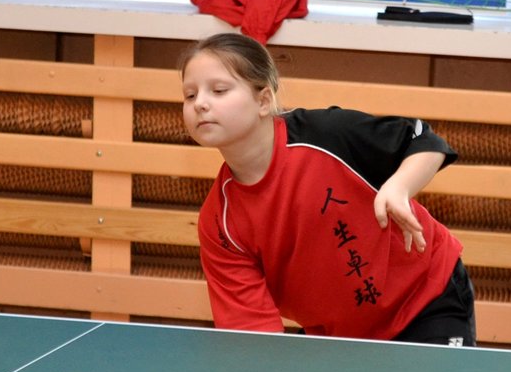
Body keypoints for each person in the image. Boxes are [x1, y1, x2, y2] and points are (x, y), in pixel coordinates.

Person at [179, 32, 476, 346]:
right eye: (189, 95)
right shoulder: (219, 224)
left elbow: (424, 141)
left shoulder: (326, 134)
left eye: (219, 90)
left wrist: (399, 187)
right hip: (340, 335)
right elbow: (253, 335)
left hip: (426, 299)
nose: (200, 104)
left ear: (263, 101)